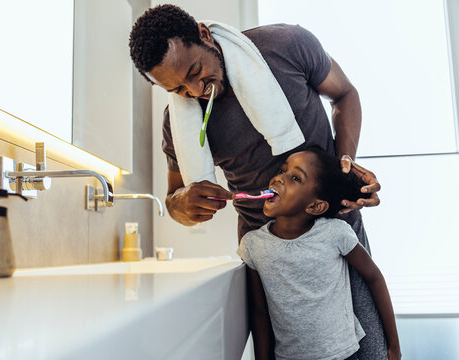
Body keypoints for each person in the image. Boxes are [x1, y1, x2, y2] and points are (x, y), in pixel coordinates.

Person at [129, 4, 386, 359]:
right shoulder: (177, 120)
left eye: (195, 71)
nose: (195, 91)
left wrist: (345, 165)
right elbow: (174, 200)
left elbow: (345, 94)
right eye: (179, 89)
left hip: (336, 229)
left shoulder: (287, 44)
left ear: (204, 34)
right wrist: (184, 203)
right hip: (268, 258)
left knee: (367, 350)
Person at [237, 147, 401, 359]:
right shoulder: (253, 245)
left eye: (295, 177)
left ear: (316, 206)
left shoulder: (335, 233)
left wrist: (394, 346)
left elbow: (374, 278)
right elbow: (259, 312)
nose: (278, 178)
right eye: (281, 170)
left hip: (345, 354)